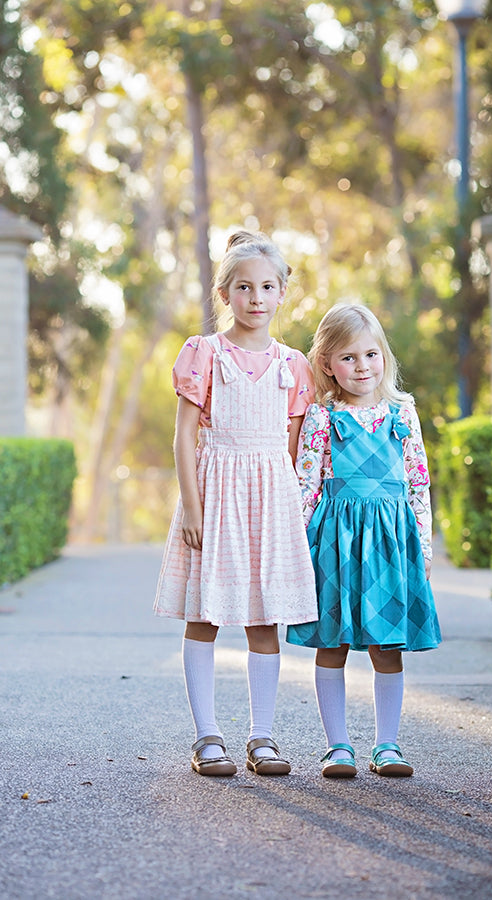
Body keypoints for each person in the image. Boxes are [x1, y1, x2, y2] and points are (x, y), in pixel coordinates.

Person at [154, 230, 317, 777]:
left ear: (281, 294)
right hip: (215, 495)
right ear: (224, 293)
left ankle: (262, 737)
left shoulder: (293, 366)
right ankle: (207, 737)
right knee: (204, 616)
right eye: (244, 287)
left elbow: (293, 451)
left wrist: (292, 513)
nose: (256, 297)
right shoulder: (204, 354)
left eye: (267, 286)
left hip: (269, 501)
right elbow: (183, 438)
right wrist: (193, 509)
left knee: (264, 621)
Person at [287, 303, 441, 779]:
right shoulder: (320, 418)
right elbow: (305, 484)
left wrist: (424, 545)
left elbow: (418, 483)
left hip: (392, 542)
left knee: (386, 646)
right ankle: (337, 746)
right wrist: (296, 550)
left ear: (384, 357)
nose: (362, 367)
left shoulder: (402, 413)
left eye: (370, 354)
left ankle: (387, 745)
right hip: (334, 542)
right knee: (330, 643)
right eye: (348, 357)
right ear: (328, 364)